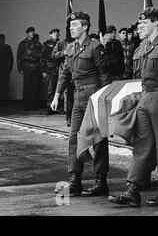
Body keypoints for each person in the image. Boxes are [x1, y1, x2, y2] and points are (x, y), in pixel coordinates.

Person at [108, 7, 158, 207]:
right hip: (145, 97)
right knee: (142, 145)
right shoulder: (143, 46)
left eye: (144, 22)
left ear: (156, 22)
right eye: (139, 23)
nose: (140, 26)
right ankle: (133, 189)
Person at [51, 11, 111, 196]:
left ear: (85, 27)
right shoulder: (70, 48)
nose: (71, 27)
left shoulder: (95, 47)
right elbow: (65, 74)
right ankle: (75, 179)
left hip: (95, 96)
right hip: (78, 97)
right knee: (74, 138)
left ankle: (101, 181)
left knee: (98, 139)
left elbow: (104, 75)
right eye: (70, 25)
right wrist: (57, 95)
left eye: (75, 24)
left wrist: (103, 99)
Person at [17, 27, 42, 111]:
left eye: (33, 32)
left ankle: (33, 104)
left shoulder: (37, 43)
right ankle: (26, 105)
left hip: (35, 67)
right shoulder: (22, 43)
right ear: (27, 33)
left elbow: (41, 55)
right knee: (27, 86)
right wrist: (19, 67)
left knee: (35, 87)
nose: (32, 33)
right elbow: (19, 56)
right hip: (27, 67)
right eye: (30, 32)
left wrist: (41, 67)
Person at [53, 35, 75, 126]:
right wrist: (64, 52)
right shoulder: (61, 43)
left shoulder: (80, 42)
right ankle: (68, 117)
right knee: (67, 97)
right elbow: (54, 54)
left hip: (76, 75)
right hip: (65, 72)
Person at [41, 28, 60, 115]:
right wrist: (43, 70)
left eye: (57, 33)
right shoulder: (46, 44)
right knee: (50, 89)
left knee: (58, 89)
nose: (56, 34)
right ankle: (49, 107)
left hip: (59, 69)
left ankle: (57, 107)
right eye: (54, 33)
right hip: (50, 69)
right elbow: (42, 58)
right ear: (50, 35)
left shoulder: (61, 43)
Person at [0, 34, 13, 105]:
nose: (3, 40)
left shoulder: (7, 47)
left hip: (5, 69)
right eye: (1, 39)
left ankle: (3, 101)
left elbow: (11, 59)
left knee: (5, 85)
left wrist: (10, 69)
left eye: (3, 38)